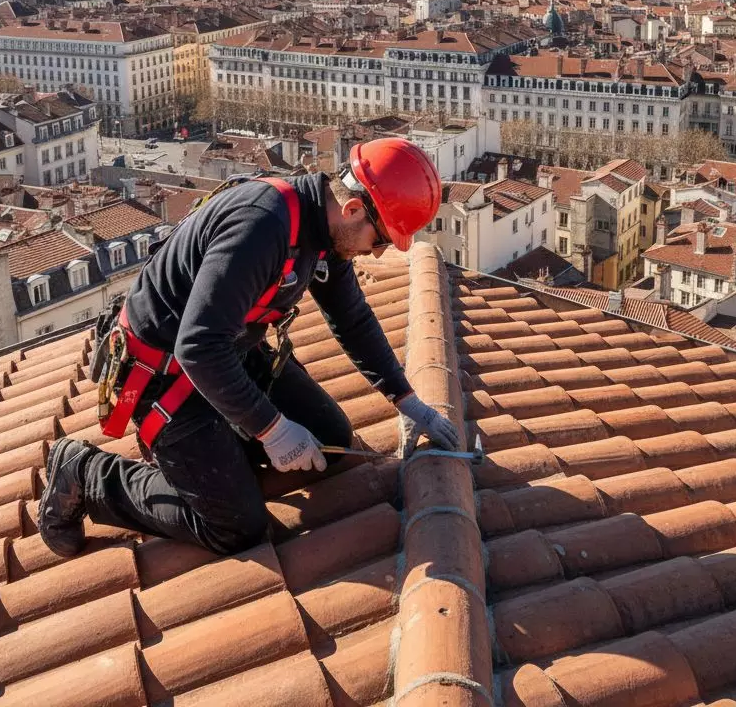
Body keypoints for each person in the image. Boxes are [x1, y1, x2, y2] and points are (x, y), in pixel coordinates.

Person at [37, 137, 459, 557]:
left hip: (230, 358)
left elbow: (352, 318)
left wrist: (405, 400)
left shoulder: (321, 231)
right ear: (352, 209)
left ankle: (221, 449)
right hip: (166, 380)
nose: (379, 253)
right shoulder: (262, 226)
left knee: (328, 439)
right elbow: (198, 347)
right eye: (381, 239)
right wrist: (272, 429)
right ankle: (85, 472)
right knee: (236, 527)